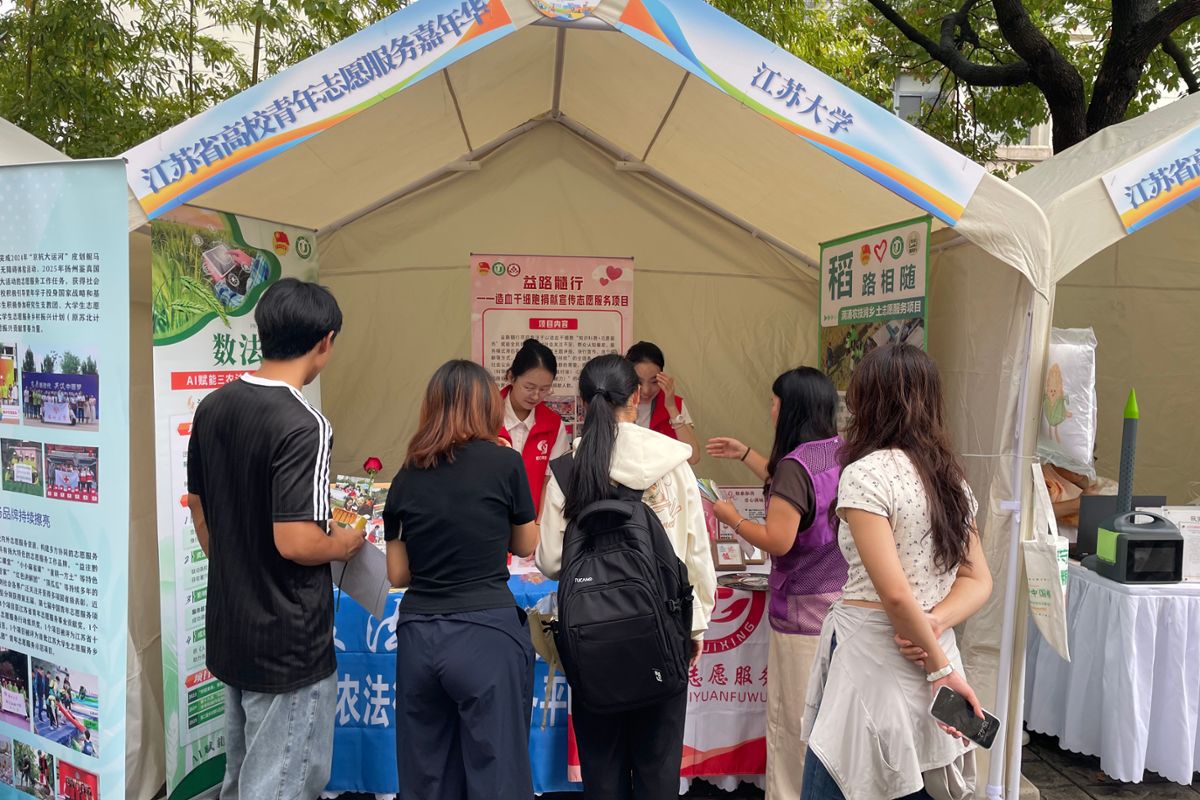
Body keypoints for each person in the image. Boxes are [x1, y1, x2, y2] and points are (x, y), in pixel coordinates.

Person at [186, 278, 365, 800]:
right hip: (288, 641)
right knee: (284, 783)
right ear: (326, 342)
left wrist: (238, 568)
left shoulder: (214, 405)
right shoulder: (305, 423)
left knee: (244, 779)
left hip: (232, 627)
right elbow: (296, 541)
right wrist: (343, 545)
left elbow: (199, 506)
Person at [800, 344, 993, 800]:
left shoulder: (866, 475)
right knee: (922, 777)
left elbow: (894, 595)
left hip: (875, 654)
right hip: (929, 646)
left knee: (849, 774)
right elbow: (978, 580)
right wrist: (935, 626)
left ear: (866, 401)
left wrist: (939, 667)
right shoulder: (951, 480)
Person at [537, 354, 716, 799]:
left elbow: (551, 562)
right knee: (658, 771)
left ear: (583, 404)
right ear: (635, 397)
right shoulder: (673, 463)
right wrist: (695, 627)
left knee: (603, 773)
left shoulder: (568, 469)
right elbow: (696, 553)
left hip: (591, 639)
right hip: (664, 632)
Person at [382, 359, 538, 800]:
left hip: (420, 637)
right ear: (487, 406)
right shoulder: (505, 462)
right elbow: (526, 544)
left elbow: (398, 574)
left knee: (427, 777)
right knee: (497, 777)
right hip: (486, 633)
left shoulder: (406, 475)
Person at [707, 367, 847, 799]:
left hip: (801, 612)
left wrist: (733, 519)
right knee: (829, 722)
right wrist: (746, 453)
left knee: (792, 723)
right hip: (841, 606)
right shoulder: (839, 451)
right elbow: (797, 490)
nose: (770, 408)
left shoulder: (793, 465)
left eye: (774, 401)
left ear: (791, 409)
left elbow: (779, 539)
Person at [498, 339, 570, 516]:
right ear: (511, 377)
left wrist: (538, 524)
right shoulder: (485, 415)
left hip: (533, 521)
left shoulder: (553, 425)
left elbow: (550, 482)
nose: (536, 396)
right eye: (529, 387)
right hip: (490, 519)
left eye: (544, 389)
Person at [625, 341, 701, 465]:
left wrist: (671, 408)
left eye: (654, 382)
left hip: (665, 476)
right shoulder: (615, 404)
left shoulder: (675, 403)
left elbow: (693, 458)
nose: (646, 390)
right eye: (638, 382)